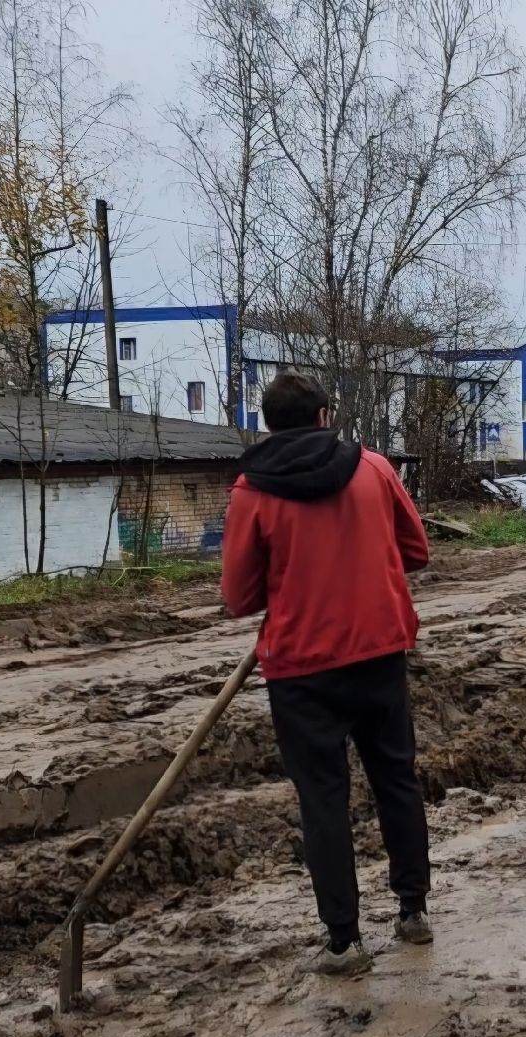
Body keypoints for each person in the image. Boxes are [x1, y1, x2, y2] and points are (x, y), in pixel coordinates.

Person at [221, 372, 434, 976]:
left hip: (301, 668)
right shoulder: (373, 469)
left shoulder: (251, 490)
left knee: (323, 800)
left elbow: (238, 597)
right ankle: (413, 911)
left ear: (271, 424)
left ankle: (344, 941)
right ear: (322, 417)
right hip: (379, 651)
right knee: (396, 779)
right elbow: (416, 550)